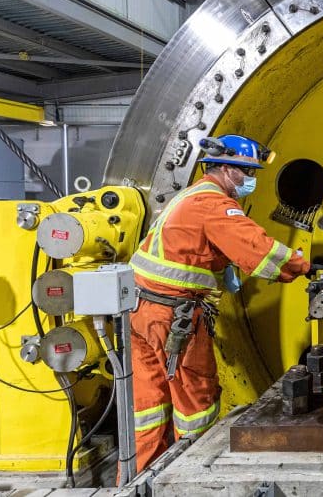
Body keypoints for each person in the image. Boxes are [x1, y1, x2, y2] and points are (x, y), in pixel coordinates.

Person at [128, 134, 310, 468]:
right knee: (195, 400)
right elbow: (258, 249)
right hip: (173, 318)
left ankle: (141, 477)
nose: (251, 180)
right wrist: (304, 265)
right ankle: (193, 474)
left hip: (141, 311)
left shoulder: (191, 196)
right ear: (226, 169)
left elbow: (192, 247)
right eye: (247, 173)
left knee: (149, 404)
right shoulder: (214, 203)